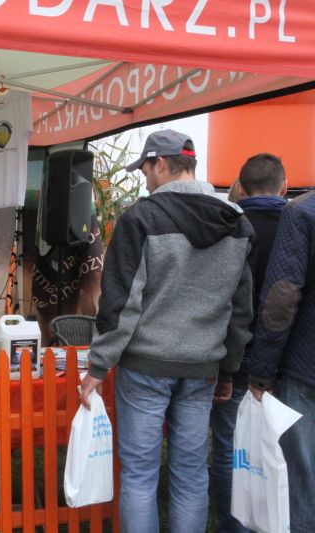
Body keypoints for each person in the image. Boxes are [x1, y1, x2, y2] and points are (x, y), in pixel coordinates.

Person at [79, 130, 255, 532]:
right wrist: (228, 368)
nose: (143, 178)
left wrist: (98, 366)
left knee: (140, 475)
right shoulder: (237, 223)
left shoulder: (141, 218)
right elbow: (240, 308)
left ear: (160, 163)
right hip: (203, 368)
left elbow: (121, 302)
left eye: (144, 168)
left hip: (146, 366)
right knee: (191, 473)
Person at [210, 153, 287, 533]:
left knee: (230, 449)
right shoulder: (298, 224)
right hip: (288, 361)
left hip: (235, 359)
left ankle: (233, 525)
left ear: (239, 188)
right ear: (284, 187)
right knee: (287, 449)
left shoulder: (228, 229)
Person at [247, 191, 315, 532]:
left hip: (306, 368)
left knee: (302, 482)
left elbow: (282, 297)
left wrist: (261, 370)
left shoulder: (303, 212)